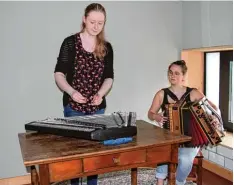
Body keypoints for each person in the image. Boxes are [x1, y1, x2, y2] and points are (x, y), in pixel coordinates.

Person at [54, 3, 114, 185]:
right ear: (84, 19)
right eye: (92, 22)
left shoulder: (107, 47)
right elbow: (58, 74)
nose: (96, 27)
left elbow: (109, 77)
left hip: (97, 109)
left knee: (94, 156)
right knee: (76, 154)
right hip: (74, 107)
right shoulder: (70, 43)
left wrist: (101, 94)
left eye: (100, 23)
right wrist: (72, 92)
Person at [148, 60, 220, 185]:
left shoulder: (194, 92)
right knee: (164, 155)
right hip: (168, 136)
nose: (172, 76)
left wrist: (214, 118)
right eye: (170, 72)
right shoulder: (161, 94)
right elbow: (150, 113)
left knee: (185, 160)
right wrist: (156, 117)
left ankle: (179, 181)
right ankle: (159, 181)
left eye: (176, 73)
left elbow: (214, 107)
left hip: (191, 138)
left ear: (183, 76)